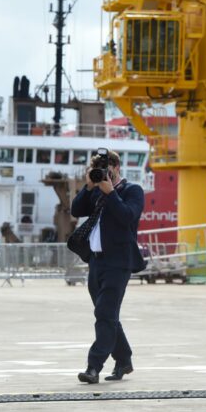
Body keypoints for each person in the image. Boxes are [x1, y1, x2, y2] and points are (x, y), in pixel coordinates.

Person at [72, 149, 146, 384]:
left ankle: (93, 367)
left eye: (107, 170)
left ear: (116, 168)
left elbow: (128, 216)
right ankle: (124, 359)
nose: (104, 174)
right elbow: (75, 210)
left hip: (118, 263)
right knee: (107, 314)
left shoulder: (132, 191)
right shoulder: (95, 192)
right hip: (96, 261)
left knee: (104, 313)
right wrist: (88, 186)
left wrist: (111, 193)